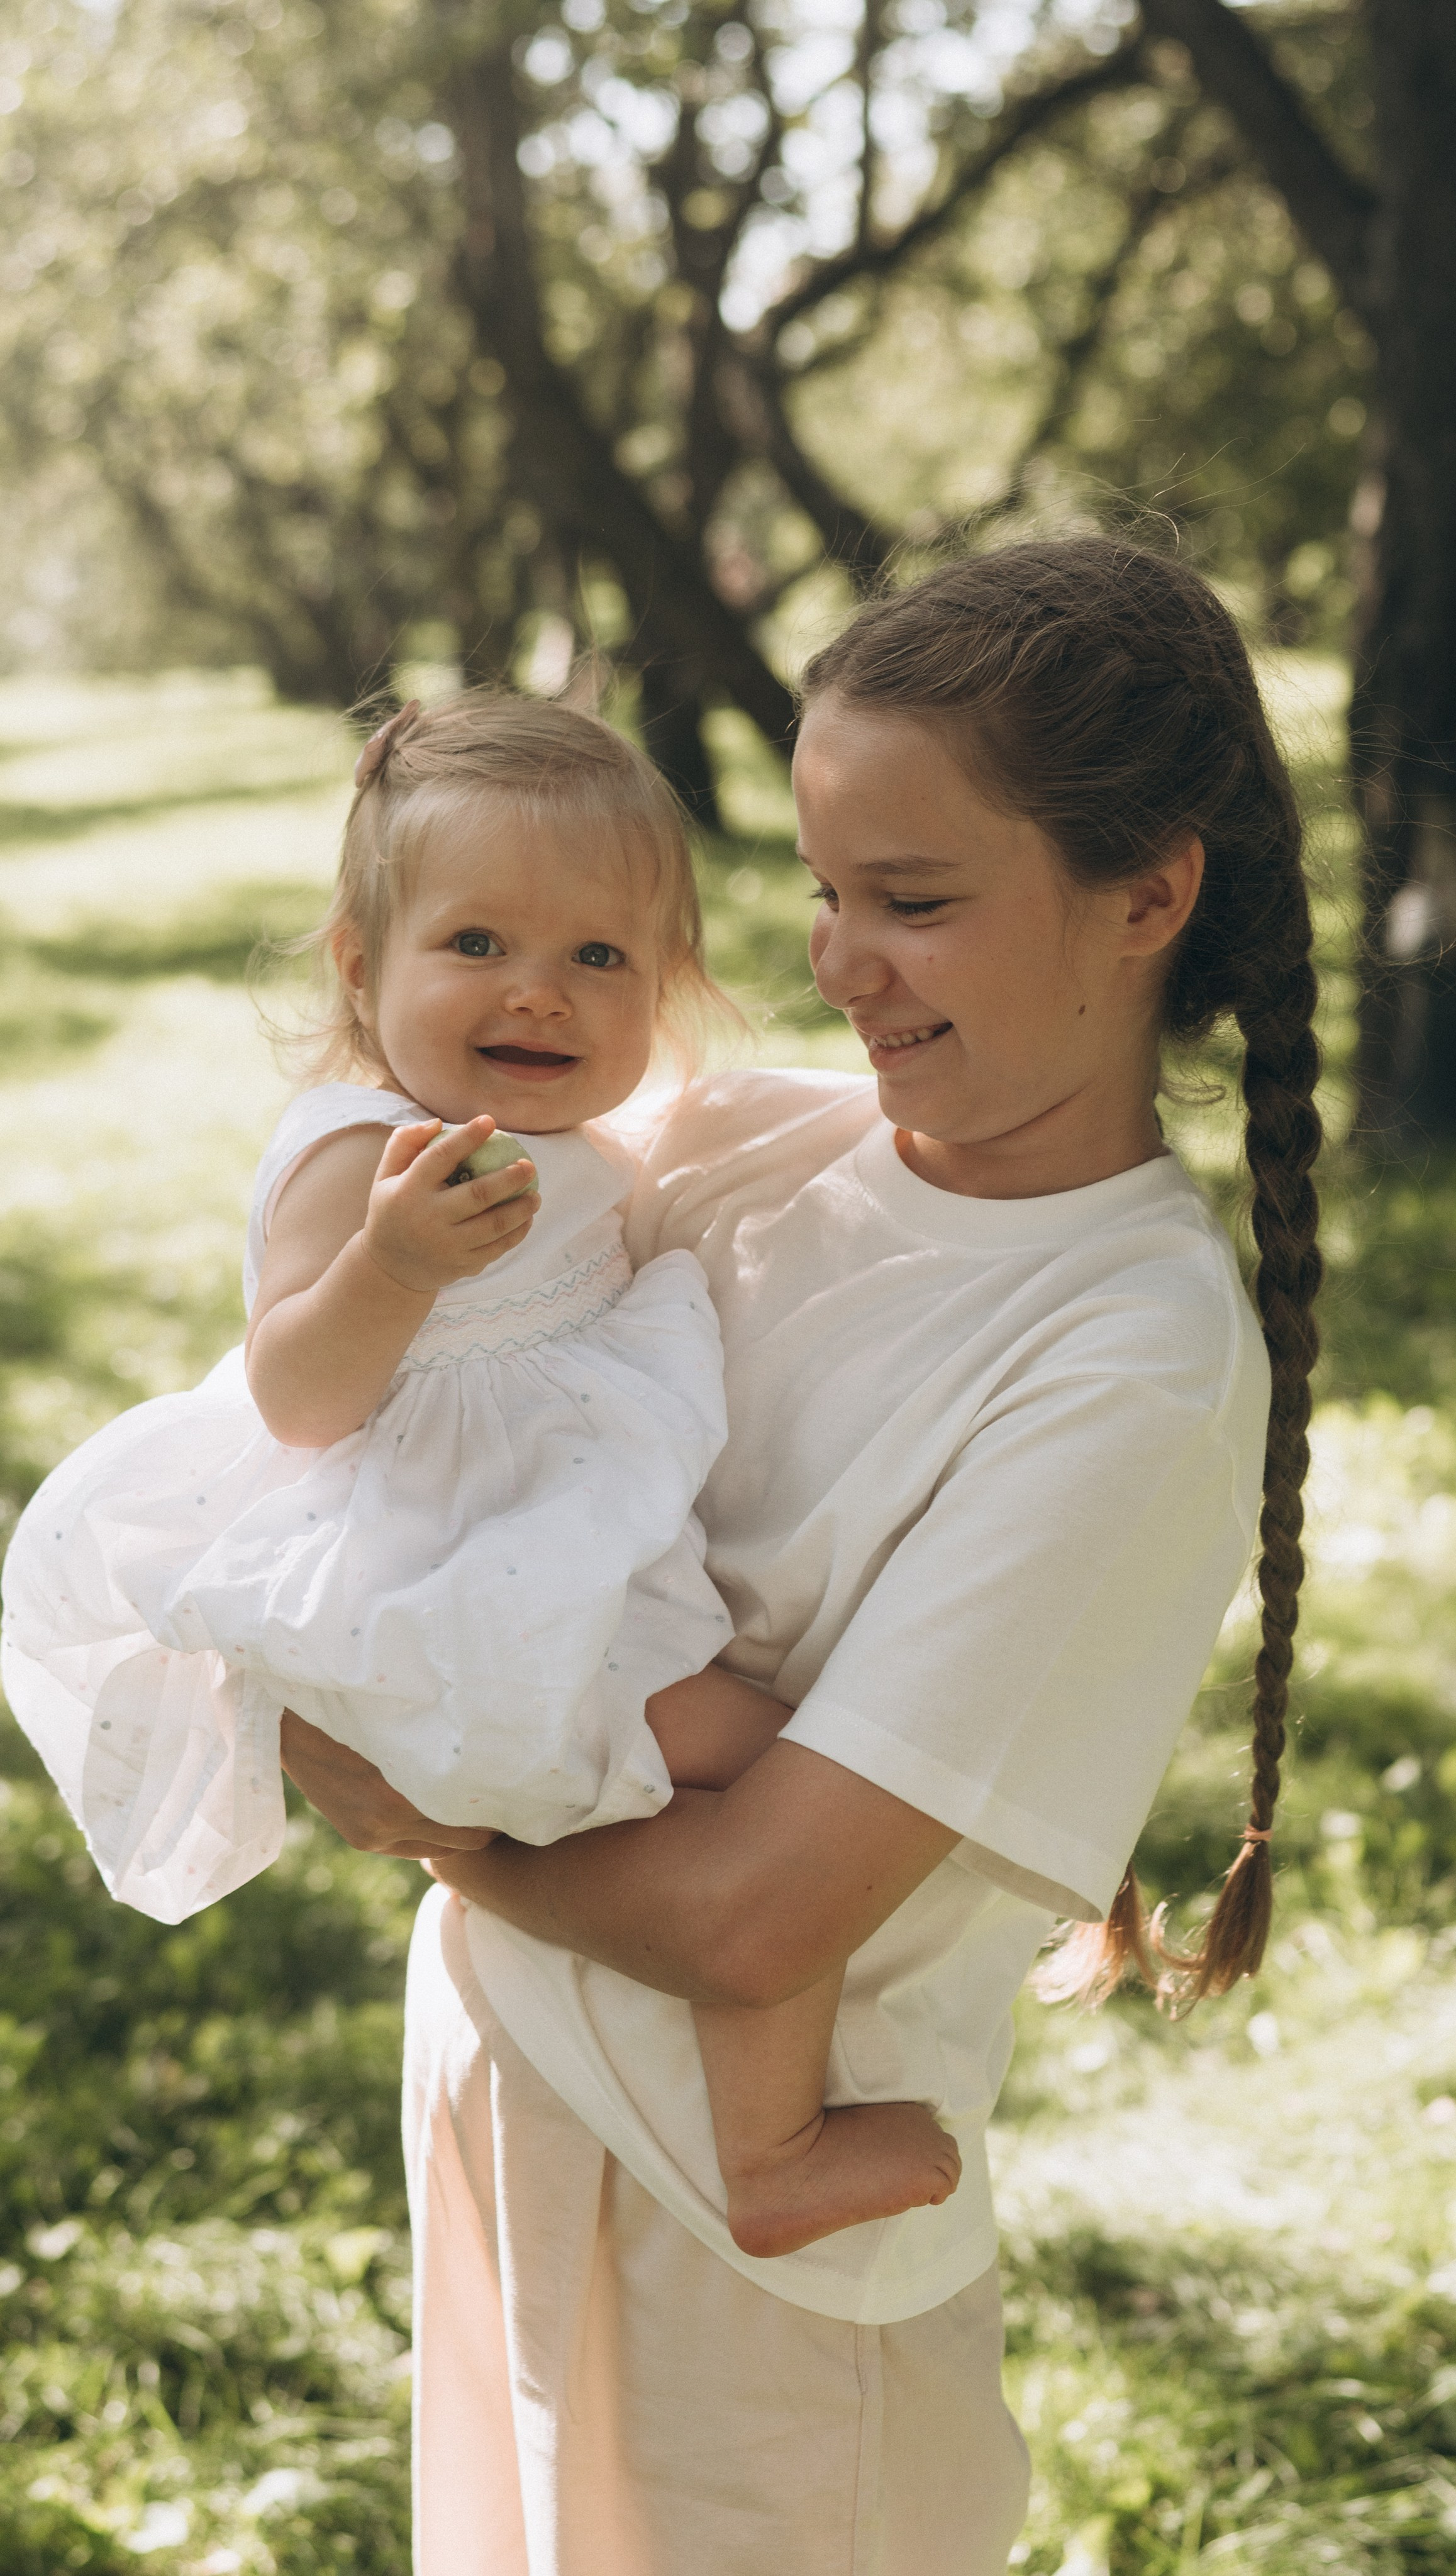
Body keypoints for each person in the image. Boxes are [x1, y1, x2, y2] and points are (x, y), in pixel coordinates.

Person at [280, 535, 1325, 2575]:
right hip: (507, 2091)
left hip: (752, 2293)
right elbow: (413, 1395)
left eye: (913, 903)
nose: (836, 961)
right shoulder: (757, 1141)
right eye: (825, 889)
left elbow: (760, 1916)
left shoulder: (1122, 1357)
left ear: (1143, 894)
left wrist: (417, 1800)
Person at [0, 691, 962, 2262]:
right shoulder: (355, 1153)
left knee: (763, 1781)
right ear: (360, 966)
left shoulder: (584, 1134)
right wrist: (386, 1263)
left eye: (602, 959)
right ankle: (769, 2144)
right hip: (461, 1586)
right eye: (478, 945)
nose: (541, 992)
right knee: (775, 1773)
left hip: (555, 1562)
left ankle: (760, 2121)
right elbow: (295, 1396)